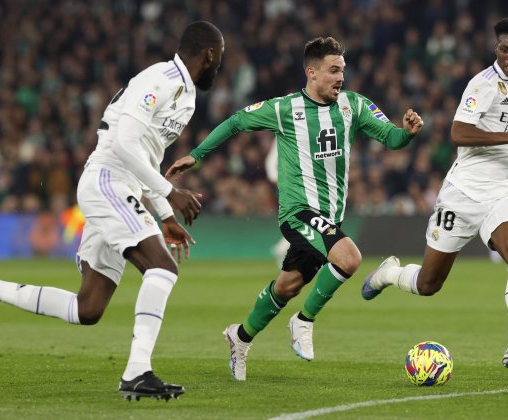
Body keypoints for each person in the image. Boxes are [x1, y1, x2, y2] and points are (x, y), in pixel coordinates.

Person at [0, 21, 225, 400]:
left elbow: (146, 157)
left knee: (87, 308)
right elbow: (123, 144)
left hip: (121, 187)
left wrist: (166, 215)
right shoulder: (162, 79)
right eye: (219, 57)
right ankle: (138, 372)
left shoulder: (185, 95)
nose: (219, 65)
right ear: (209, 53)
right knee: (162, 268)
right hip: (108, 180)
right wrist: (170, 193)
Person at [165, 36, 424, 381]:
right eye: (333, 71)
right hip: (298, 213)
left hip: (329, 218)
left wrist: (406, 132)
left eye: (342, 71)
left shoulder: (354, 106)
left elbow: (391, 139)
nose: (340, 78)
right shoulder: (285, 109)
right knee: (348, 258)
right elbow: (236, 122)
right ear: (312, 73)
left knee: (286, 287)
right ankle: (303, 321)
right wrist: (196, 156)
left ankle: (239, 338)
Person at [361, 16, 508, 370]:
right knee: (429, 283)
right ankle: (389, 273)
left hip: (499, 192)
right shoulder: (483, 85)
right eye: (505, 49)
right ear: (496, 49)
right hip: (462, 193)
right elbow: (459, 133)